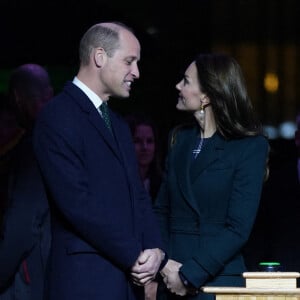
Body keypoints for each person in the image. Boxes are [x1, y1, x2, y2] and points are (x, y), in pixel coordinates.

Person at [33, 21, 166, 300]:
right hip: (84, 282)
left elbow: (137, 195)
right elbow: (76, 202)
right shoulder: (57, 116)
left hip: (126, 283)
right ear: (99, 57)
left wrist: (156, 249)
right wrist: (136, 256)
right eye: (129, 61)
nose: (136, 72)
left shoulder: (117, 123)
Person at [155, 53, 269, 299]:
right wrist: (164, 265)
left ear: (206, 96)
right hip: (170, 279)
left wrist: (189, 274)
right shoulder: (179, 139)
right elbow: (161, 211)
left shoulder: (249, 146)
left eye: (186, 81)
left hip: (216, 282)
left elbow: (238, 228)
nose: (178, 86)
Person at [0, 63, 53, 299]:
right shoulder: (66, 135)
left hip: (30, 280)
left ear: (18, 99)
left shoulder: (34, 148)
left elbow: (22, 228)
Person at [125, 113, 163, 202]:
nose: (144, 147)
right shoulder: (116, 183)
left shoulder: (162, 185)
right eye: (137, 141)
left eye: (149, 141)